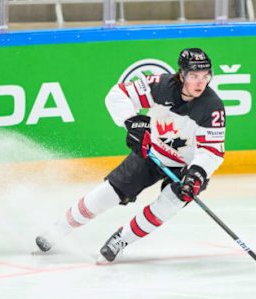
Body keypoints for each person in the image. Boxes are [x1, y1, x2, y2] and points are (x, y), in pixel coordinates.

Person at [35, 48, 226, 262]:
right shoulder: (161, 86)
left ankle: (122, 239)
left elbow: (212, 150)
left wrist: (196, 175)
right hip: (152, 152)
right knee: (107, 194)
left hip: (185, 167)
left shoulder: (212, 107)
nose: (200, 82)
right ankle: (59, 229)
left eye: (205, 76)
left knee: (169, 203)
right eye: (194, 76)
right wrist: (131, 121)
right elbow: (118, 94)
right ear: (181, 75)